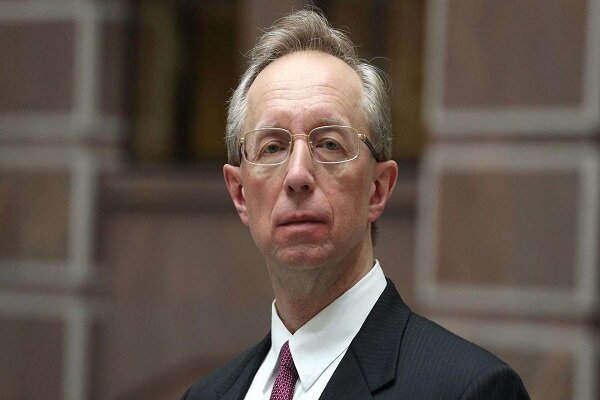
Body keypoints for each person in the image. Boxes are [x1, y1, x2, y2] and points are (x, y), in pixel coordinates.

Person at [181, 8, 529, 400]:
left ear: (378, 189)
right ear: (240, 193)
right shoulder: (205, 396)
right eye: (273, 147)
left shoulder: (470, 389)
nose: (297, 174)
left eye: (329, 144)